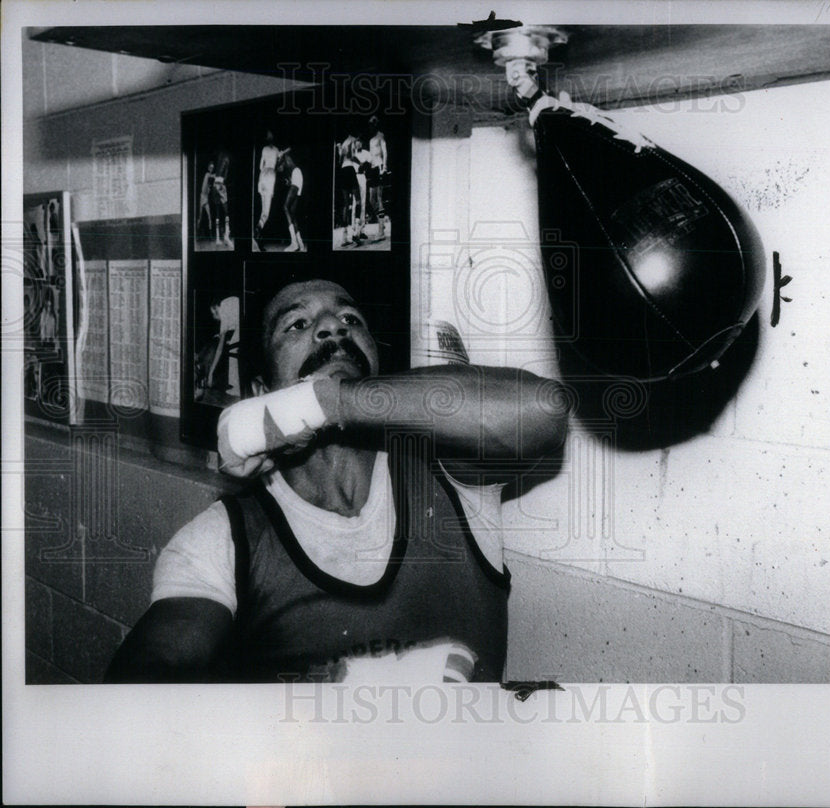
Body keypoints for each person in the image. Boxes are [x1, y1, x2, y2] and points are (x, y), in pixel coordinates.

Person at [106, 279, 569, 683]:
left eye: (350, 317)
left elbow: (544, 410)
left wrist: (323, 403)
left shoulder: (447, 475)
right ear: (259, 394)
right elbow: (146, 680)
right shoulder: (221, 539)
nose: (333, 327)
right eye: (297, 325)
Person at [365, 115, 389, 241]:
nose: (370, 126)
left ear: (375, 124)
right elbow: (370, 157)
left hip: (379, 166)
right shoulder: (370, 140)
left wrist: (384, 167)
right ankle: (382, 222)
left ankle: (381, 231)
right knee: (371, 199)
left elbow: (385, 152)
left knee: (379, 198)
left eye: (372, 124)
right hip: (373, 169)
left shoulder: (380, 136)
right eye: (369, 124)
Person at [278, 150, 306, 252]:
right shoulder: (288, 167)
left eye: (280, 167)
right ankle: (300, 244)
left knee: (285, 207)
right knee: (292, 214)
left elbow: (289, 148)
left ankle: (294, 243)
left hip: (297, 175)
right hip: (297, 177)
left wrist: (281, 153)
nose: (280, 169)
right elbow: (292, 180)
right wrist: (289, 182)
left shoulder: (285, 156)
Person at [255, 131, 279, 243]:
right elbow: (277, 166)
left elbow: (260, 166)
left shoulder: (265, 149)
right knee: (266, 213)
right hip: (269, 177)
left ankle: (258, 235)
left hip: (262, 177)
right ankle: (257, 232)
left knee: (263, 212)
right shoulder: (276, 150)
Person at [197, 161, 215, 239]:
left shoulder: (211, 180)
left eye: (213, 168)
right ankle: (197, 234)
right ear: (208, 168)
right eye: (210, 167)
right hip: (202, 197)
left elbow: (212, 184)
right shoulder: (207, 174)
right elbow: (212, 176)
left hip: (206, 198)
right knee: (200, 217)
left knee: (209, 216)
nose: (211, 169)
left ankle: (211, 235)